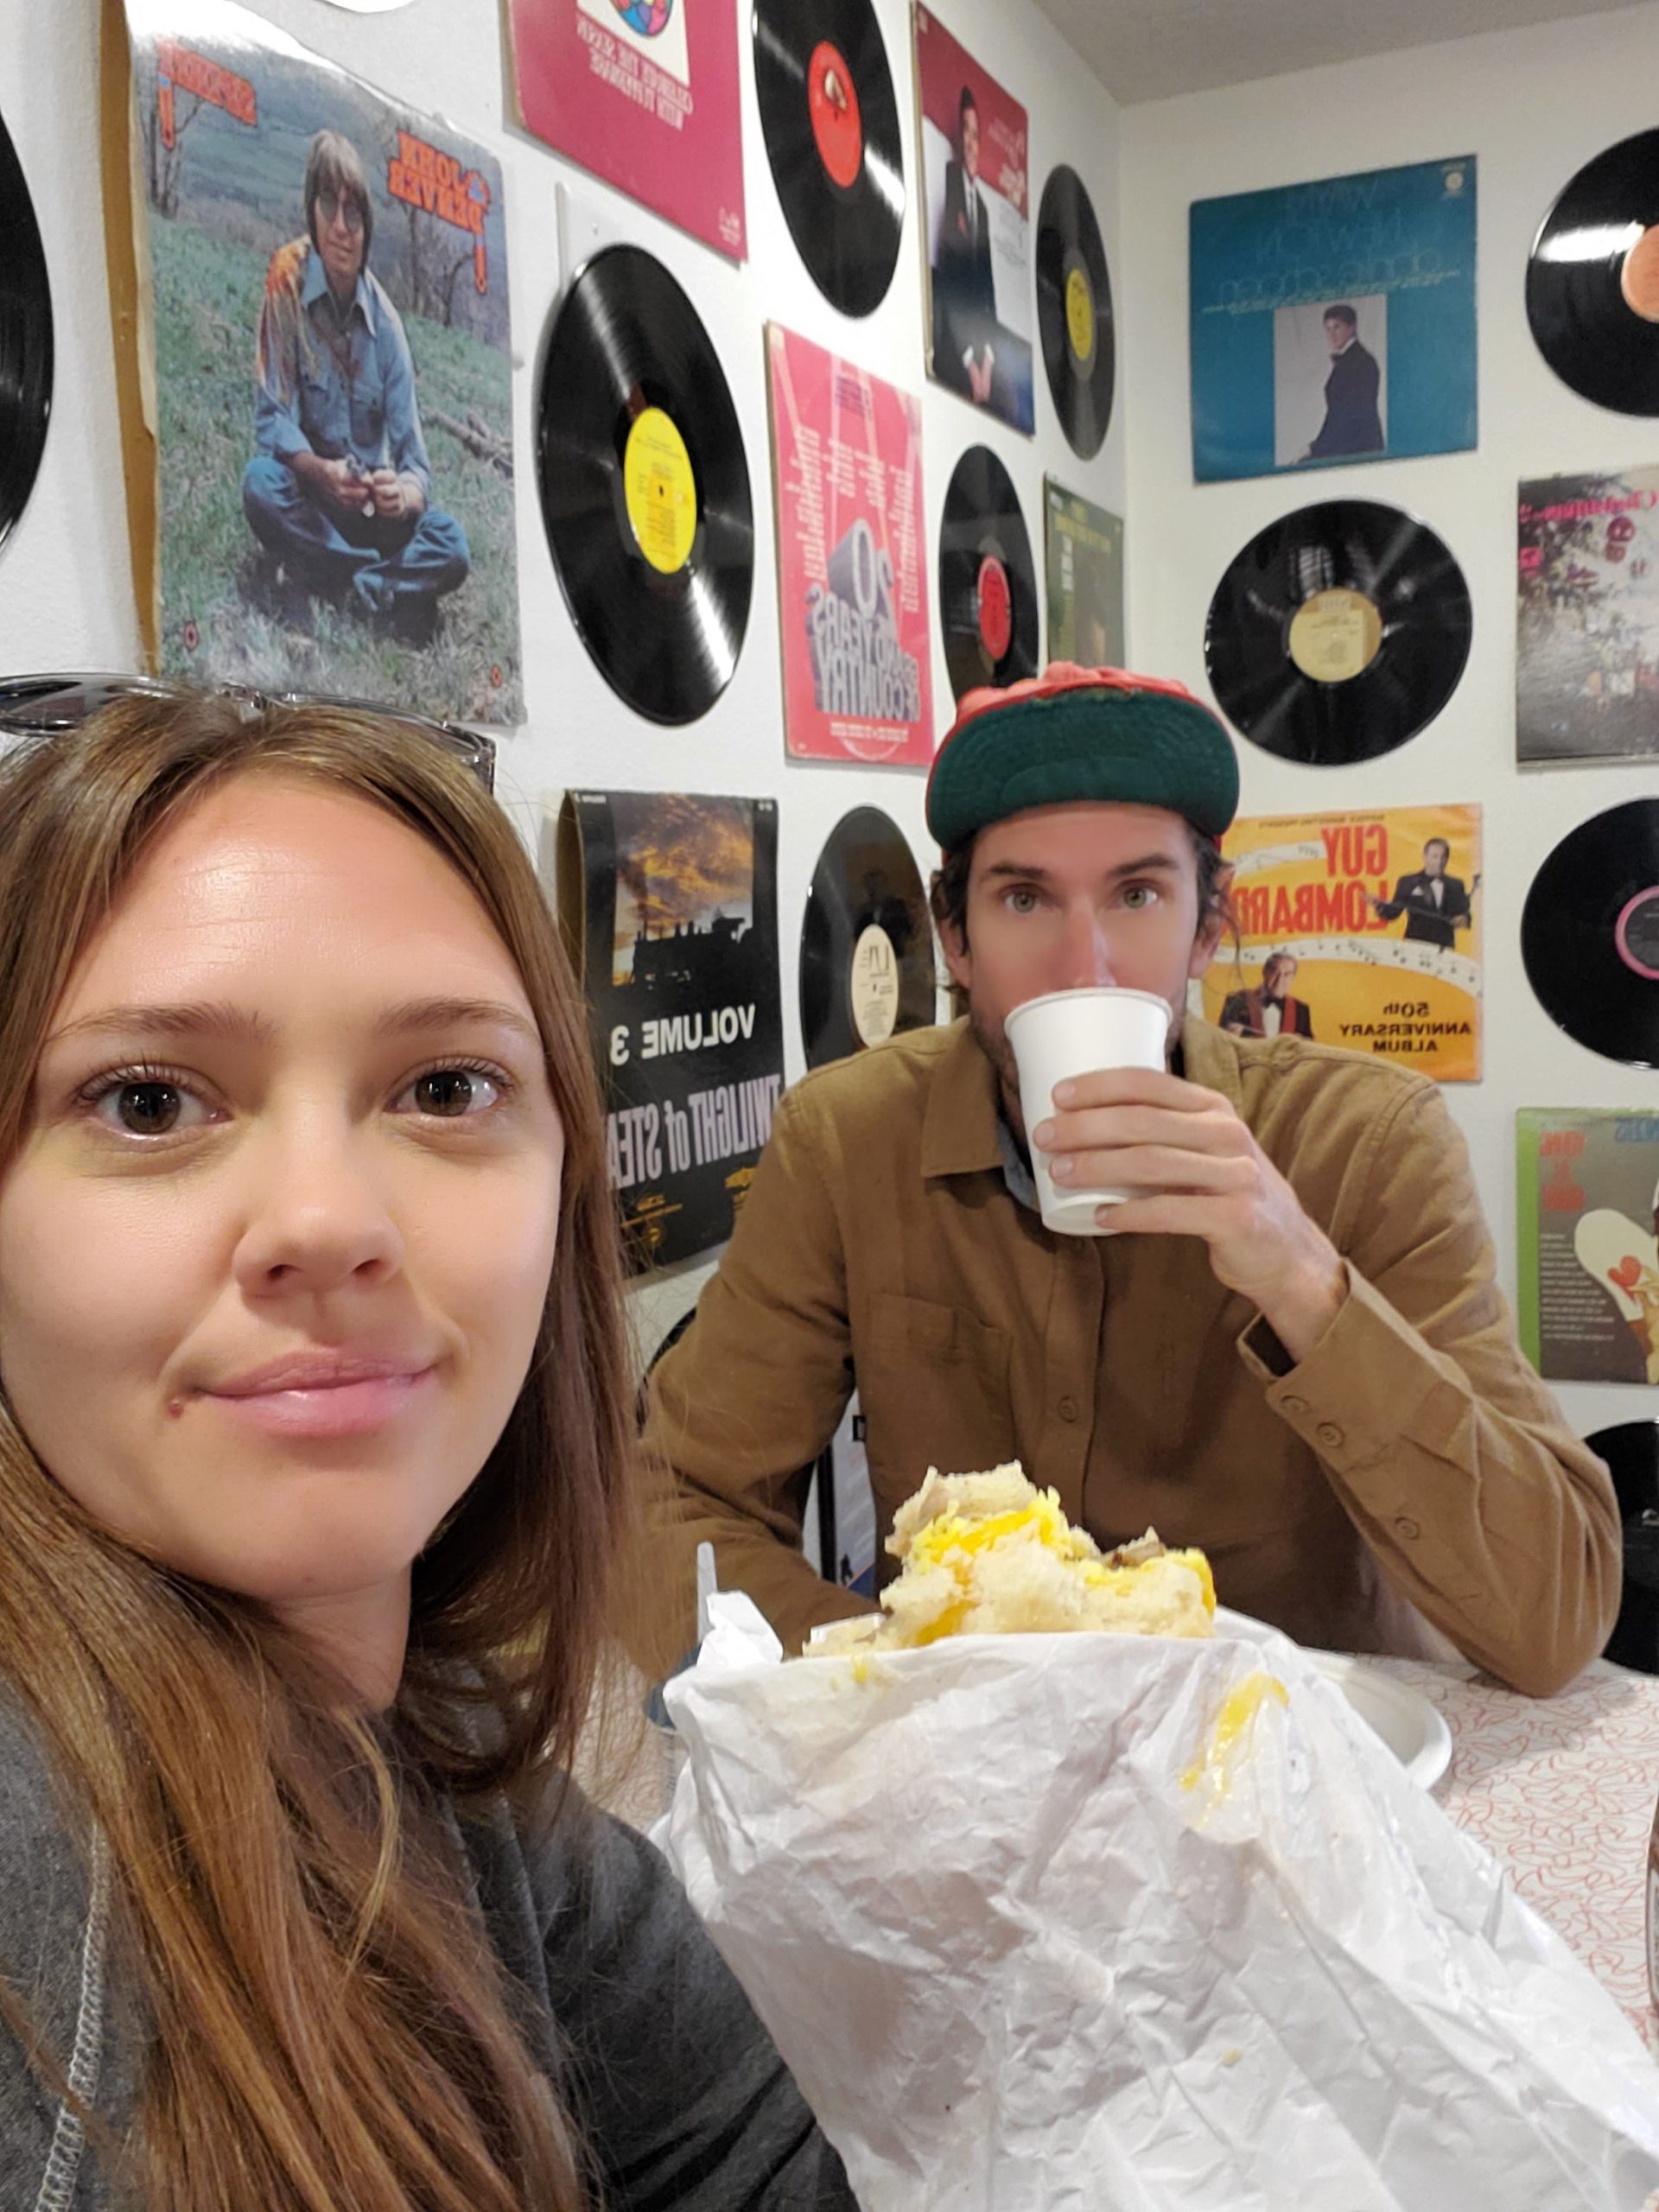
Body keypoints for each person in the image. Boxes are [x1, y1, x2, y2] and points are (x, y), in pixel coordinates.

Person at [0, 689, 854, 2210]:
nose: (329, 1222)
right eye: (147, 1102)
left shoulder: (449, 1748)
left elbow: (745, 2155)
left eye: (446, 1088)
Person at [642, 664, 1619, 1699]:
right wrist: (887, 1681)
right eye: (1024, 897)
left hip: (1288, 1760)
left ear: (1207, 927)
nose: (1085, 966)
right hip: (957, 1782)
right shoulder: (848, 1141)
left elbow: (1555, 1619)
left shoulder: (1368, 1142)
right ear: (959, 940)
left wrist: (1304, 1284)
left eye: (1138, 893)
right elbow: (665, 1511)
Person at [241, 130, 470, 638]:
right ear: (311, 211)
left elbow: (415, 466)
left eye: (356, 213)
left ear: (368, 227)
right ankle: (377, 584)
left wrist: (401, 496)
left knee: (450, 542)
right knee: (259, 483)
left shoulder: (387, 328)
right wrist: (320, 471)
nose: (342, 228)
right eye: (329, 206)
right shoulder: (285, 281)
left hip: (368, 511)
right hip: (310, 498)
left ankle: (342, 578)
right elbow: (272, 416)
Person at [932, 86, 997, 408]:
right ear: (960, 140)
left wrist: (988, 361)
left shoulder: (983, 209)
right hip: (956, 346)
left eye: (976, 136)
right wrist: (970, 362)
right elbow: (951, 279)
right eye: (966, 133)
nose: (972, 144)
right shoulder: (950, 181)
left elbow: (988, 286)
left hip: (981, 348)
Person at [1300, 303, 1383, 461]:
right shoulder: (1351, 360)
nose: (1331, 334)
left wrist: (1314, 448)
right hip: (1348, 444)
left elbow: (1346, 415)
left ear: (1351, 328)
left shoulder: (1360, 361)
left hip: (1357, 448)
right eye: (1328, 329)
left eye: (1337, 327)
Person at [1369, 837, 1475, 950]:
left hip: (1445, 949)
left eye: (1443, 857)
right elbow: (1394, 912)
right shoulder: (1408, 882)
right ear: (1425, 857)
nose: (1439, 862)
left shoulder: (1456, 885)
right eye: (1435, 856)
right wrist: (1379, 905)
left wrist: (1465, 919)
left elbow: (1464, 912)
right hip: (1415, 947)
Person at [1219, 950, 1313, 1039]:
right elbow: (1222, 1042)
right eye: (1275, 972)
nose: (1280, 980)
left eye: (1287, 975)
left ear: (1293, 978)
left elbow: (1308, 1050)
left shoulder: (1301, 1010)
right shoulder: (1237, 1001)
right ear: (1265, 971)